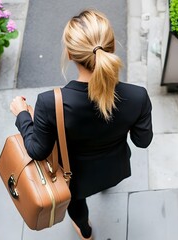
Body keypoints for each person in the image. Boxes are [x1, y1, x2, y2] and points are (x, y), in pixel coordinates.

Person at [10, 9, 153, 240]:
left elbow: (37, 150)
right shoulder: (138, 97)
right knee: (100, 184)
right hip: (114, 169)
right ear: (112, 47)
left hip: (74, 178)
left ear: (69, 53)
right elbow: (142, 141)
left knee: (77, 205)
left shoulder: (50, 103)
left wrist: (22, 116)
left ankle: (86, 233)